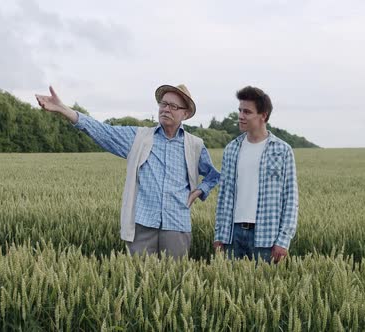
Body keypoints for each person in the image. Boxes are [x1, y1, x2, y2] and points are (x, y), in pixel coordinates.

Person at [35, 84, 220, 258]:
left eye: (173, 106)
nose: (166, 109)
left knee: (176, 282)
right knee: (139, 281)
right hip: (142, 225)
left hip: (177, 224)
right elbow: (102, 131)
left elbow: (212, 175)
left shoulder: (195, 145)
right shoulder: (138, 138)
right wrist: (63, 109)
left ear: (185, 114)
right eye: (163, 104)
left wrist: (199, 191)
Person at [213, 86, 298, 263]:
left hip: (267, 237)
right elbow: (224, 195)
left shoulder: (282, 150)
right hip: (232, 235)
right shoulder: (231, 149)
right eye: (240, 111)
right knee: (230, 288)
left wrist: (284, 240)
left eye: (247, 112)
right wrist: (219, 235)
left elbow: (291, 198)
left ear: (263, 115)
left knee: (266, 289)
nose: (241, 116)